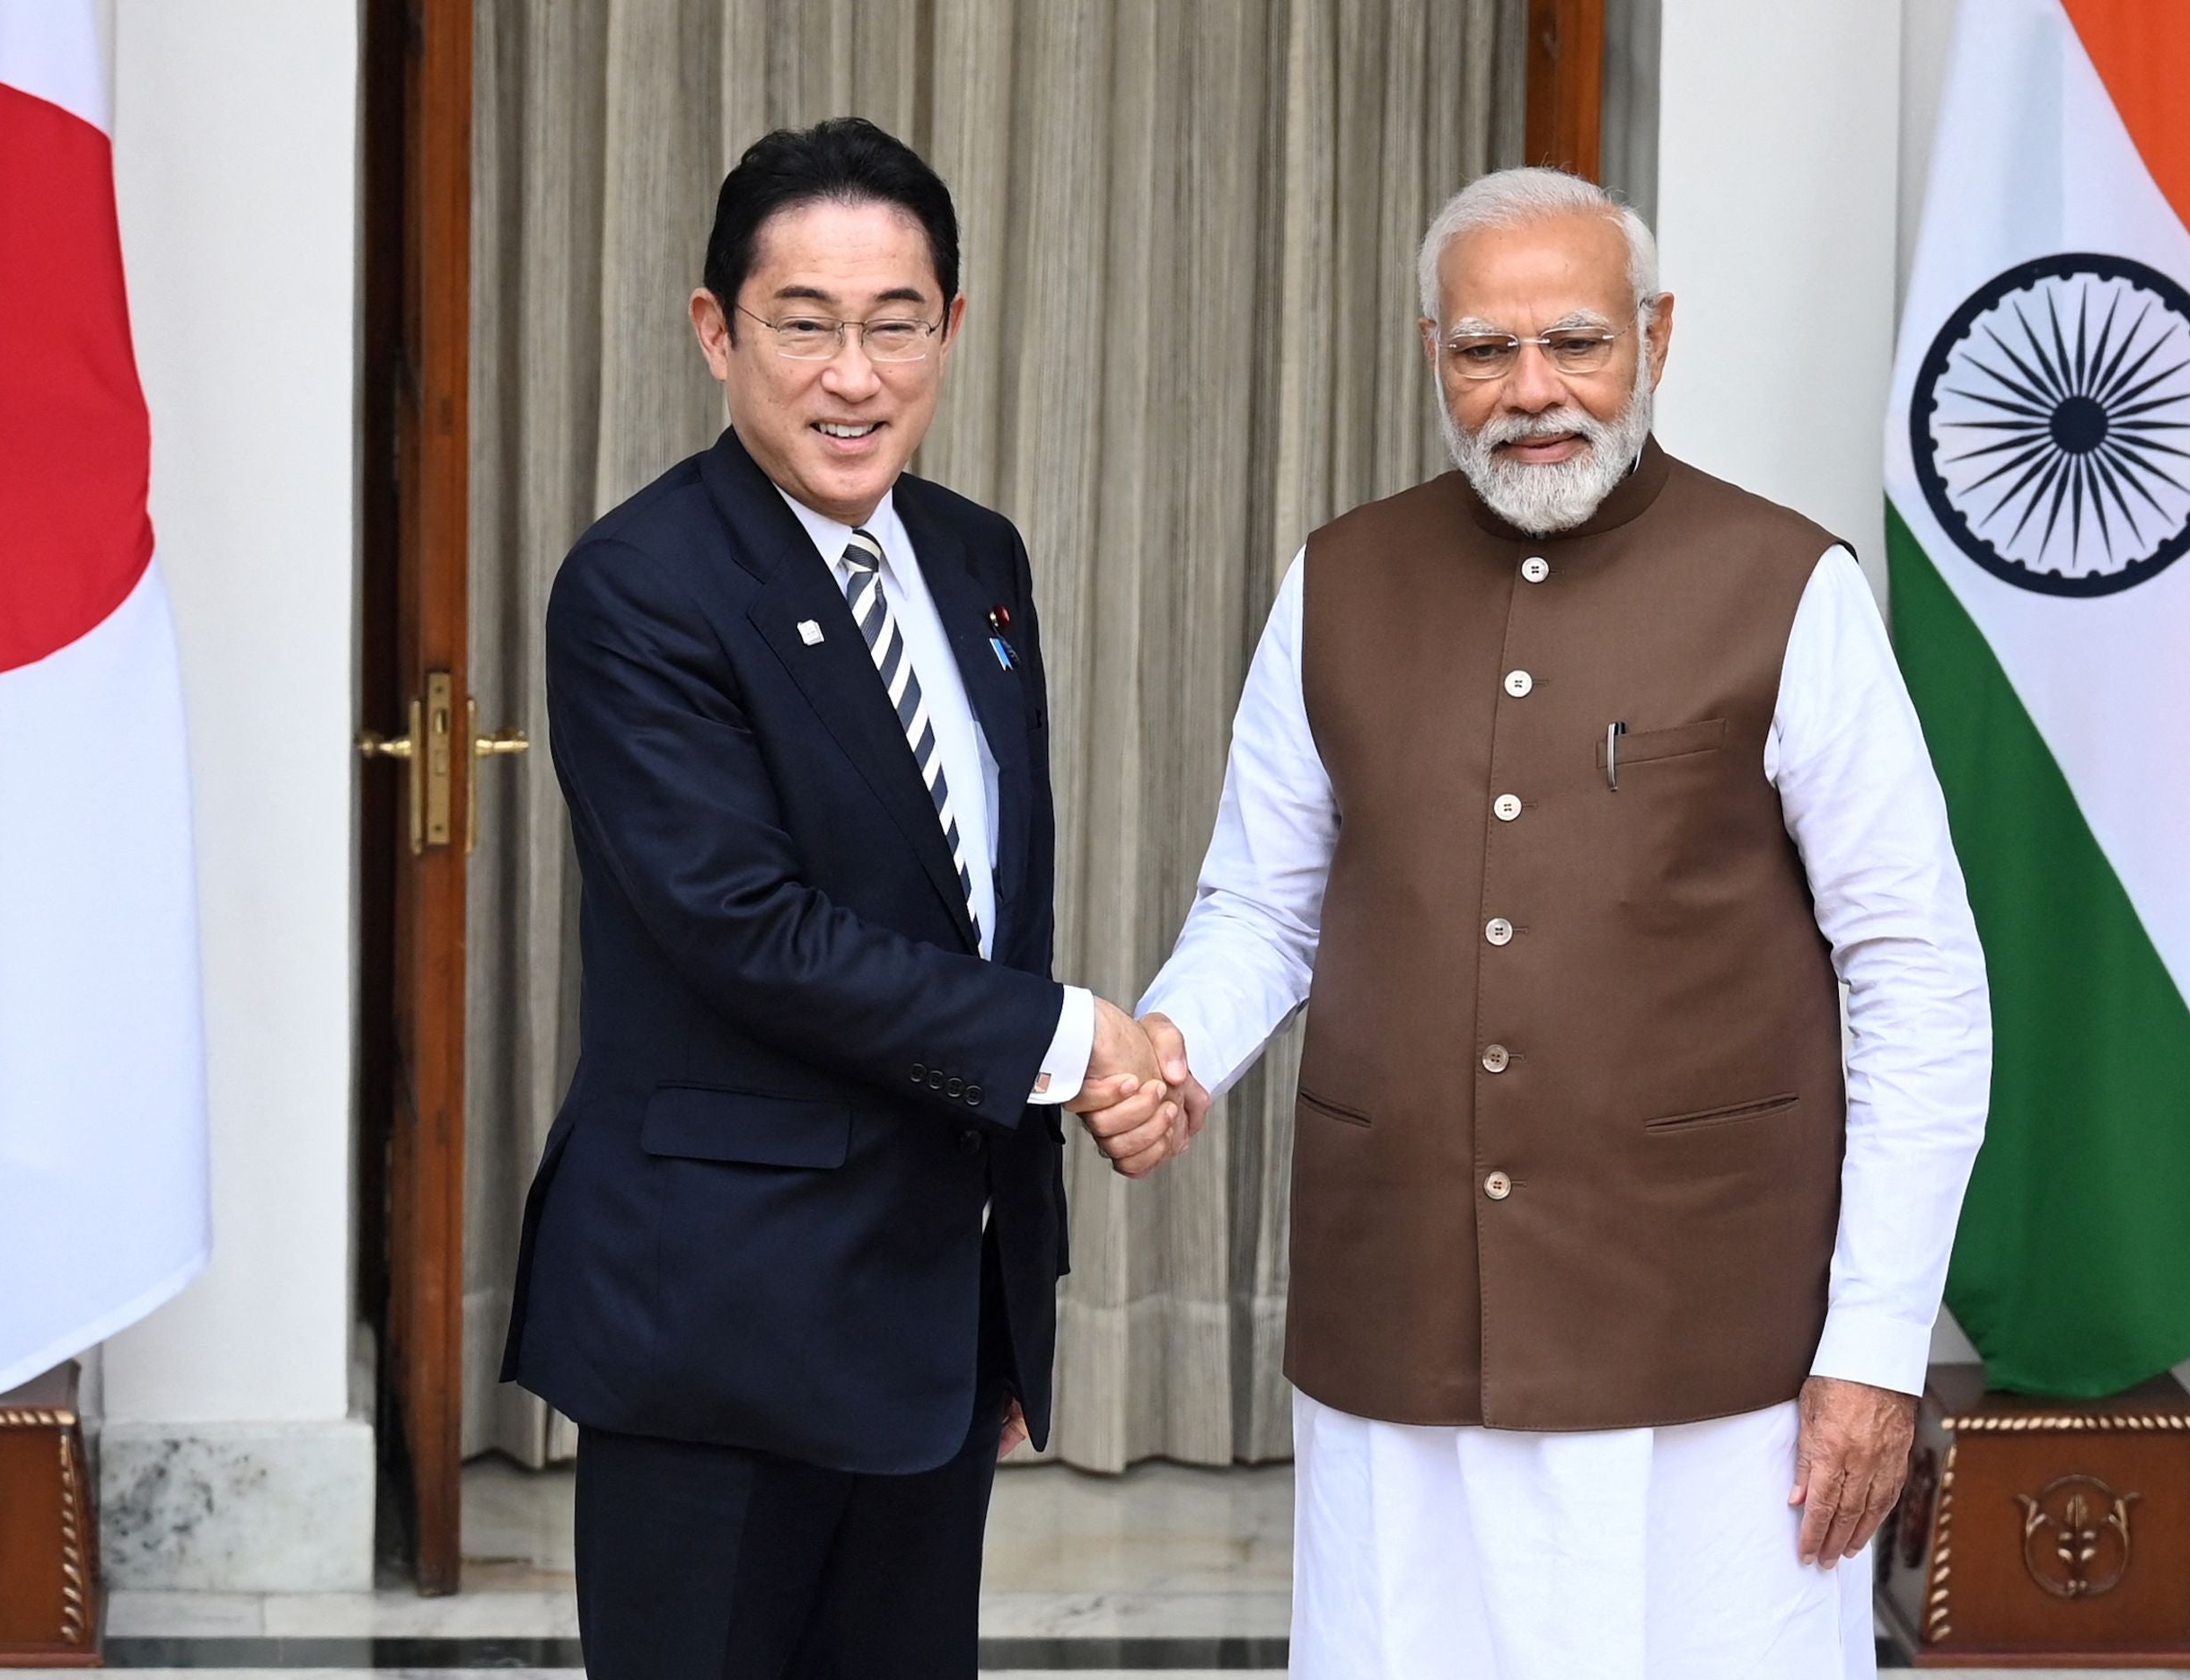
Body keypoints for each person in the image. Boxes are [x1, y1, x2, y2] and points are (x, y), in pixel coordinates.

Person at [1134, 166, 1992, 1679]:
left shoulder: (1786, 587)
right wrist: (1168, 1045)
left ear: (1656, 337)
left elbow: (1917, 972)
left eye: (1577, 343)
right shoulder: (1339, 581)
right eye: (1485, 352)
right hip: (1399, 1320)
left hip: (1713, 1349)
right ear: (1433, 357)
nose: (1534, 392)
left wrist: (1871, 1345)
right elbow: (1263, 908)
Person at [501, 118, 1183, 1679]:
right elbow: (749, 929)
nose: (852, 375)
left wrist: (1014, 1267)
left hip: (931, 1314)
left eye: (894, 324)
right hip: (722, 1323)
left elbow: (990, 902)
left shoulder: (977, 558)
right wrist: (1081, 1048)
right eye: (803, 324)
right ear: (715, 331)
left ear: (951, 326)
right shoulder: (640, 586)